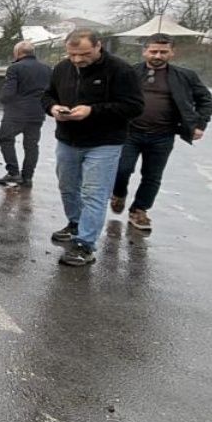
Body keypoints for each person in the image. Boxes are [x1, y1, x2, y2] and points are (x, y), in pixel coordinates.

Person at [41, 28, 144, 266]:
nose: (77, 60)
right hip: (68, 139)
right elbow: (47, 96)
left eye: (84, 54)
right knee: (67, 187)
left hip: (104, 142)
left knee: (93, 193)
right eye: (72, 54)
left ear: (99, 46)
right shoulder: (61, 68)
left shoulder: (120, 70)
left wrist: (92, 111)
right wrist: (53, 109)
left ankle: (84, 245)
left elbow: (134, 106)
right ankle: (75, 223)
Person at [110, 34, 212, 231]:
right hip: (130, 132)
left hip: (163, 135)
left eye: (163, 52)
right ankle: (118, 193)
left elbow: (205, 101)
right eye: (154, 51)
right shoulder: (130, 72)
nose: (158, 55)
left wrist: (200, 124)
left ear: (172, 52)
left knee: (152, 175)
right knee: (122, 168)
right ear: (145, 51)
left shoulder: (185, 76)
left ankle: (139, 210)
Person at [0, 40, 52, 188]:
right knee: (31, 145)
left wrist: (3, 100)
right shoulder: (47, 68)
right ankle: (27, 177)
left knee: (6, 139)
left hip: (16, 113)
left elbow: (8, 93)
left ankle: (13, 173)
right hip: (38, 112)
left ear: (18, 53)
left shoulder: (15, 68)